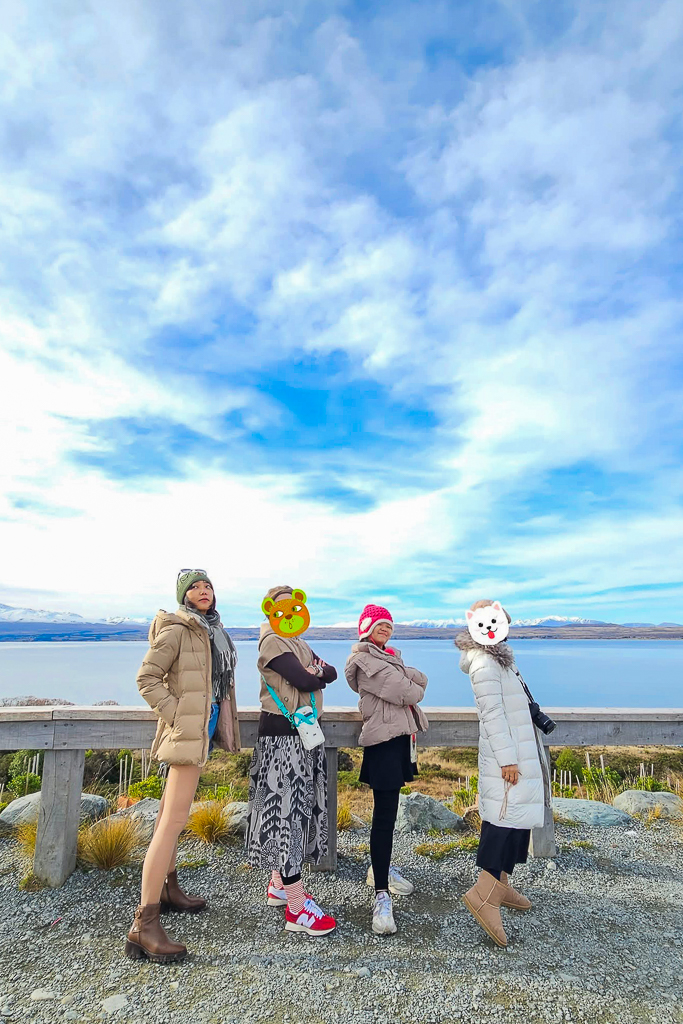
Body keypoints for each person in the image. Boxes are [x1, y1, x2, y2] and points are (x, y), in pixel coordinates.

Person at [125, 570, 240, 963]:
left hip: (199, 727)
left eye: (207, 585)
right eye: (194, 587)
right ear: (183, 596)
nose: (203, 591)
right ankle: (145, 924)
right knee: (173, 821)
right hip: (187, 731)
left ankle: (169, 890)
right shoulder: (178, 629)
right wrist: (178, 716)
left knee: (167, 818)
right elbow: (147, 678)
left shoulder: (211, 631)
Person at [456, 599, 549, 948]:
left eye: (502, 622)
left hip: (517, 752)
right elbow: (491, 714)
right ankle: (484, 893)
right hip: (506, 758)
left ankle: (502, 885)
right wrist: (507, 759)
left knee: (517, 819)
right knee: (503, 819)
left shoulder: (500, 658)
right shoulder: (483, 663)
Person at [245, 585, 338, 936]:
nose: (288, 613)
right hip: (282, 737)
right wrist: (313, 672)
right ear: (270, 611)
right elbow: (303, 677)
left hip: (300, 735)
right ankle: (297, 910)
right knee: (286, 815)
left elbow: (330, 672)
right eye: (280, 608)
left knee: (293, 811)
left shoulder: (298, 642)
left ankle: (278, 887)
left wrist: (317, 671)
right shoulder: (272, 642)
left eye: (293, 606)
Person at [345, 604, 428, 935]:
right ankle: (381, 894)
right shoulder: (365, 661)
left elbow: (417, 683)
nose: (386, 629)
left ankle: (379, 870)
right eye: (380, 625)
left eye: (389, 625)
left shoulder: (388, 658)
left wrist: (407, 676)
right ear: (365, 628)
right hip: (383, 743)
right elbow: (409, 690)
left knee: (389, 815)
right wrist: (408, 677)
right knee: (383, 817)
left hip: (398, 741)